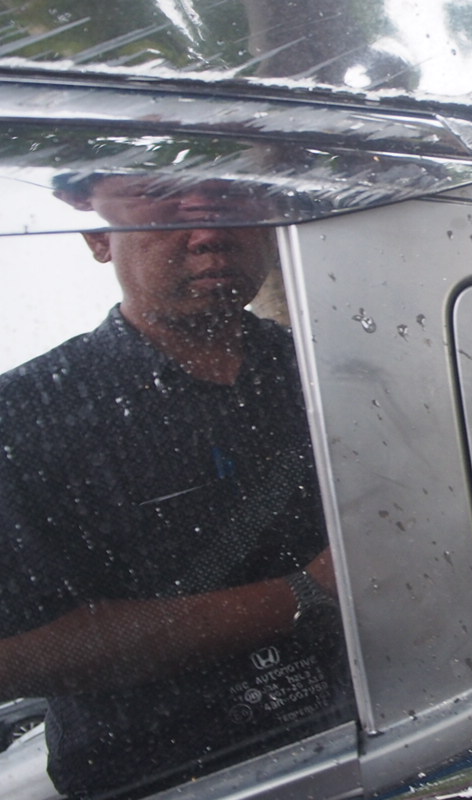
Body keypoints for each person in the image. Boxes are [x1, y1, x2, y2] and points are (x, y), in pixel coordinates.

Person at [0, 174, 350, 799]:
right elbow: (14, 654)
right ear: (96, 237)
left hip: (392, 728)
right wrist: (307, 591)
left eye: (234, 195)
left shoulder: (341, 370)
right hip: (166, 778)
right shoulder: (23, 415)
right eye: (160, 194)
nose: (210, 230)